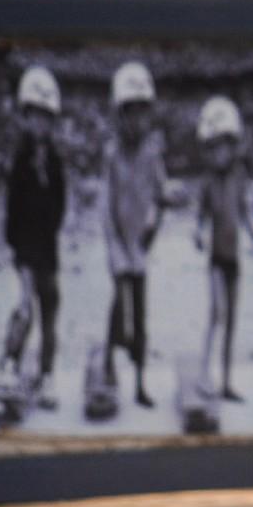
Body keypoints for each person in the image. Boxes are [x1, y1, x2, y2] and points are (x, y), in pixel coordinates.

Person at [0, 65, 66, 409]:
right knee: (25, 309)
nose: (41, 125)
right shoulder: (19, 161)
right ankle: (8, 364)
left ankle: (47, 374)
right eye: (35, 117)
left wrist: (50, 230)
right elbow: (13, 207)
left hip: (47, 247)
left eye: (47, 118)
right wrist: (18, 247)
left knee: (51, 306)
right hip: (25, 247)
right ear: (25, 117)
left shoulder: (54, 161)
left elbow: (61, 202)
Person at [102, 60, 169, 409]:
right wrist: (114, 248)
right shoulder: (112, 154)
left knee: (138, 316)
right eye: (131, 113)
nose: (137, 121)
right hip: (118, 244)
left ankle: (140, 382)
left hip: (140, 246)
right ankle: (108, 363)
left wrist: (153, 224)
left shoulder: (152, 152)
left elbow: (161, 195)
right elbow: (106, 203)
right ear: (120, 115)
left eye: (143, 113)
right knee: (119, 310)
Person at [193, 94, 253, 402]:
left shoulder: (239, 175)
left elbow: (242, 210)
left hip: (234, 259)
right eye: (216, 146)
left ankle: (226, 380)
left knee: (232, 320)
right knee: (216, 314)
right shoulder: (208, 181)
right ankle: (203, 373)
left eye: (226, 145)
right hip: (216, 259)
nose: (222, 152)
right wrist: (197, 232)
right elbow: (201, 215)